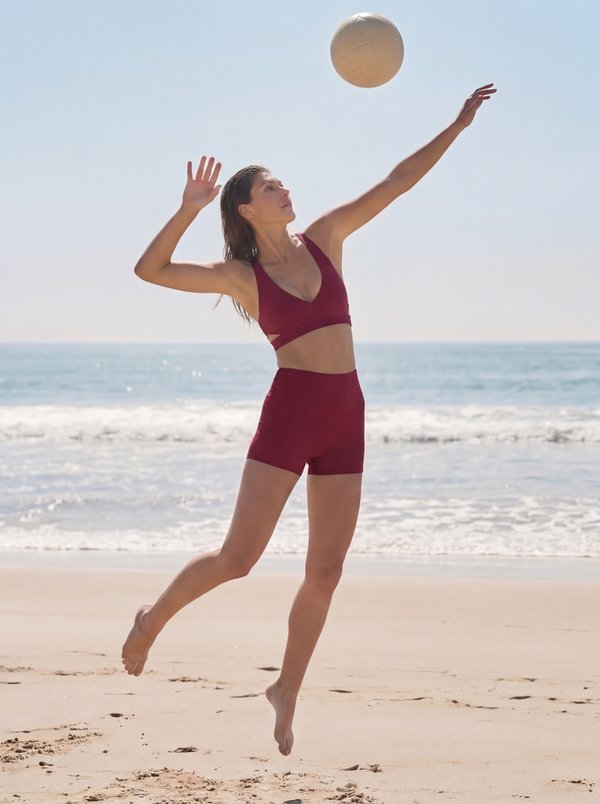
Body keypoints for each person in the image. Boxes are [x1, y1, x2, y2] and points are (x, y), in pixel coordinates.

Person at [122, 83, 496, 756]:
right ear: (245, 206)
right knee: (239, 559)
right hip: (292, 413)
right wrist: (185, 209)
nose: (286, 192)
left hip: (346, 412)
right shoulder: (239, 275)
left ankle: (285, 689)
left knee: (326, 572)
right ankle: (152, 618)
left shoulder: (325, 238)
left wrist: (458, 125)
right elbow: (150, 270)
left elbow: (397, 181)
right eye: (272, 187)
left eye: (284, 184)